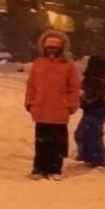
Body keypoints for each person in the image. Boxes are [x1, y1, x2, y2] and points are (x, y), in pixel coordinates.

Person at [25, 31, 80, 180]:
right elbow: (31, 85)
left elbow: (74, 87)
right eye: (49, 48)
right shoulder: (38, 64)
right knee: (41, 142)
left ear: (61, 49)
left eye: (55, 48)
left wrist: (71, 105)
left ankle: (55, 168)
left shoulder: (67, 66)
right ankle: (39, 168)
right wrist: (30, 102)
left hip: (59, 111)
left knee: (57, 143)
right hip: (41, 109)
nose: (52, 51)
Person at [74, 55, 105, 167]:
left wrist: (78, 96)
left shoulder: (97, 81)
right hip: (93, 110)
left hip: (97, 110)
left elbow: (90, 98)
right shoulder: (92, 80)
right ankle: (86, 154)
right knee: (81, 133)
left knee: (93, 134)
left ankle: (97, 158)